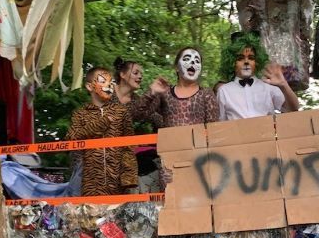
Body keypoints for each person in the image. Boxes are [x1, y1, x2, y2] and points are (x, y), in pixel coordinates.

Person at [66, 67, 138, 196]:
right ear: (89, 86)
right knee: (92, 215)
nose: (109, 85)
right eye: (103, 81)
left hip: (117, 182)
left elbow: (130, 146)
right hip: (89, 182)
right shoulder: (80, 114)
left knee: (116, 214)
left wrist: (129, 177)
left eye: (111, 82)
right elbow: (71, 138)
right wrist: (101, 123)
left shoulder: (121, 112)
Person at [217, 32, 299, 120]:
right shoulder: (224, 91)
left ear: (257, 62)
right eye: (240, 58)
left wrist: (284, 85)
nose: (246, 62)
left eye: (251, 58)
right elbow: (220, 123)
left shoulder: (268, 87)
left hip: (268, 133)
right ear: (232, 63)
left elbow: (293, 109)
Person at [143, 47, 219, 127]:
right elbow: (140, 115)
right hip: (170, 139)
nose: (193, 62)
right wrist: (151, 93)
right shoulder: (165, 93)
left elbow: (213, 130)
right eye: (186, 59)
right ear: (176, 68)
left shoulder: (206, 94)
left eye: (197, 61)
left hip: (198, 139)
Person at [112, 57, 163, 126]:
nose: (140, 77)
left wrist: (158, 96)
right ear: (122, 74)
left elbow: (152, 116)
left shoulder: (136, 100)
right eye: (135, 73)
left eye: (141, 74)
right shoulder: (106, 91)